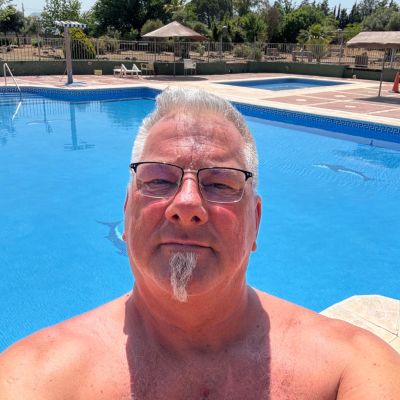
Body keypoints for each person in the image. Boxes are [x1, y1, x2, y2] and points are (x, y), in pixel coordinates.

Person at [1, 87, 399, 400]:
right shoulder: (36, 376)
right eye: (158, 179)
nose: (187, 203)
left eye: (221, 183)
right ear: (127, 211)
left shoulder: (349, 367)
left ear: (255, 222)